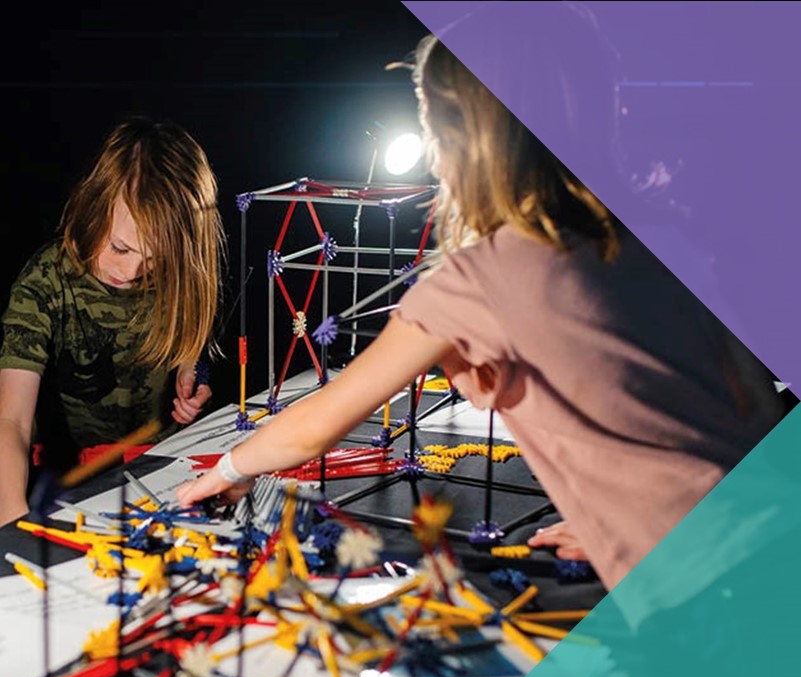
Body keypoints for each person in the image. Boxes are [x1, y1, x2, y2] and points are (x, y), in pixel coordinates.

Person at [175, 29, 783, 595]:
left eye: (433, 133)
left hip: (710, 589)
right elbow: (750, 406)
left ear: (467, 142)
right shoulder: (659, 233)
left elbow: (317, 424)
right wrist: (625, 522)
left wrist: (227, 468)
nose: (435, 162)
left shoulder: (479, 282)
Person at [0, 116, 223, 528]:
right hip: (67, 484)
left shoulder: (183, 273)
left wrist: (195, 369)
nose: (133, 271)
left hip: (164, 474)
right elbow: (10, 419)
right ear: (95, 203)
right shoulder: (45, 283)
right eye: (120, 247)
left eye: (155, 259)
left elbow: (198, 339)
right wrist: (11, 522)